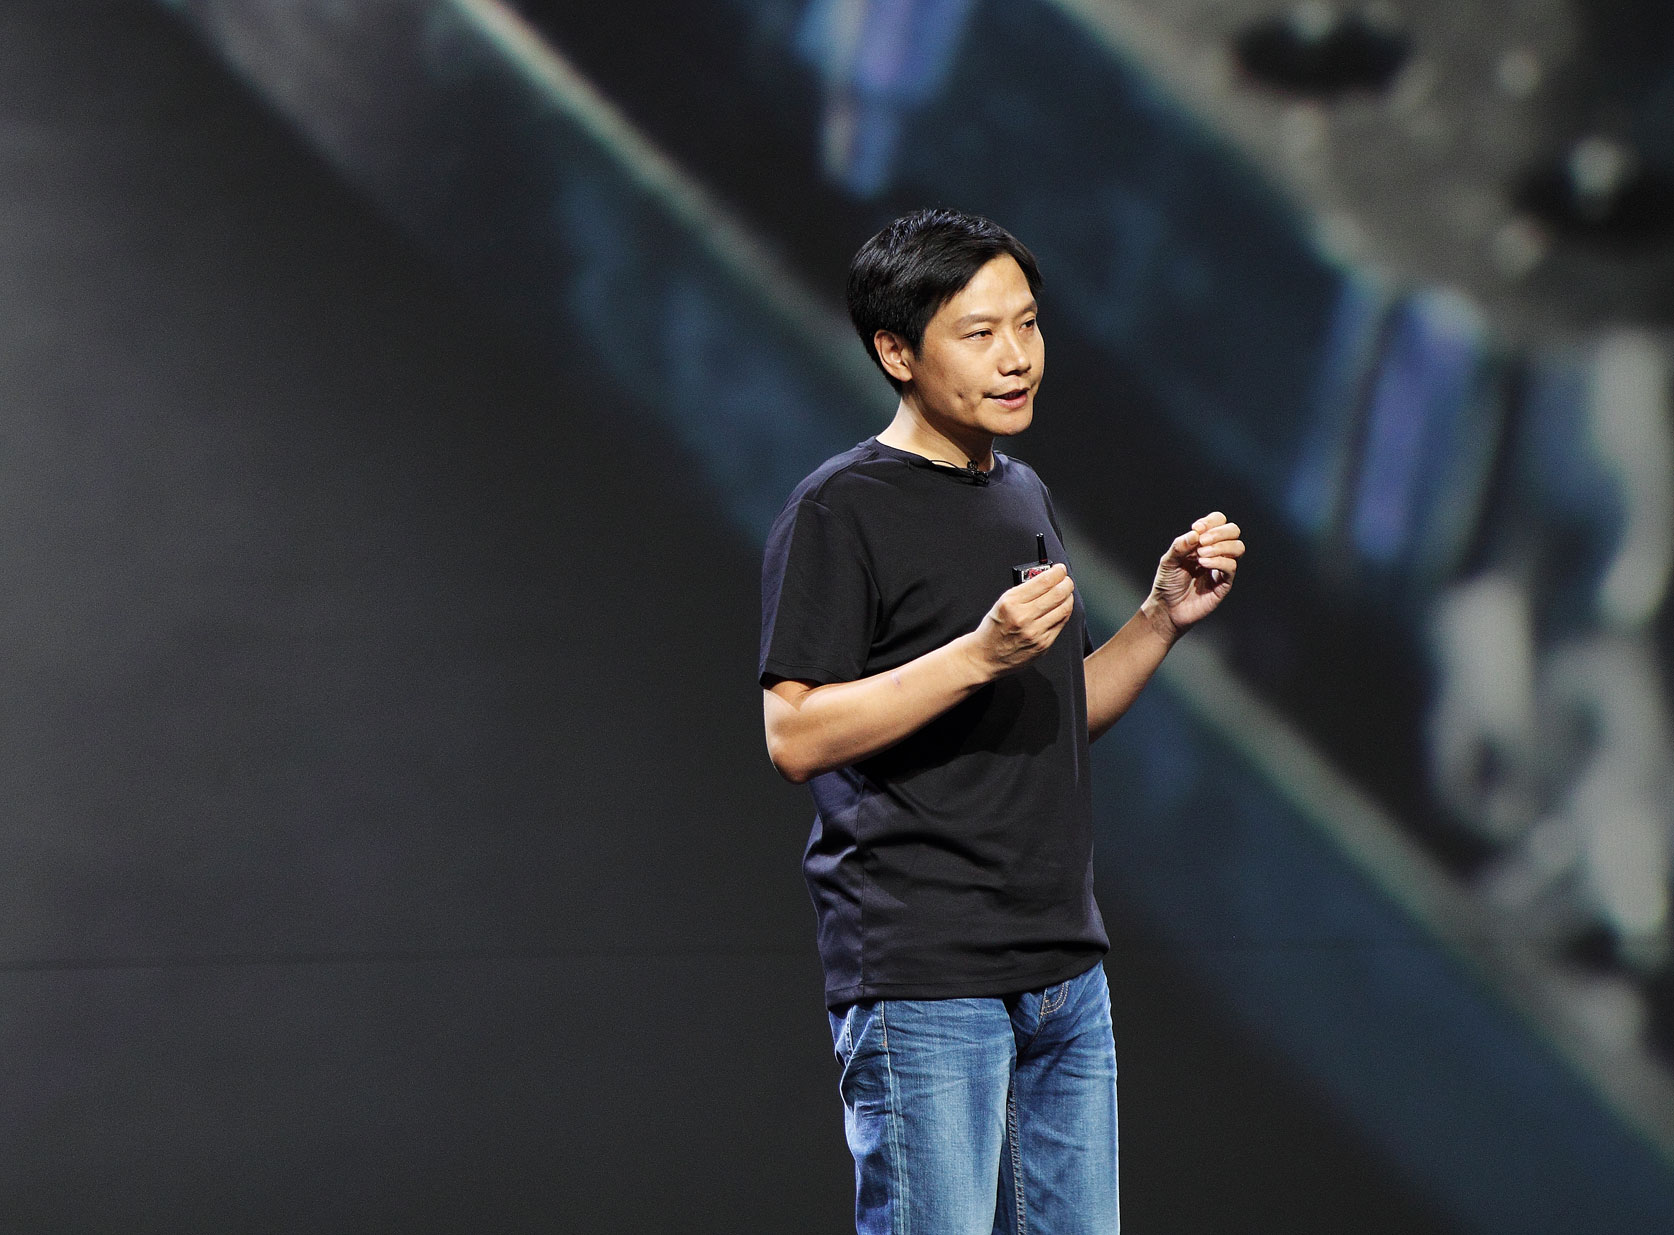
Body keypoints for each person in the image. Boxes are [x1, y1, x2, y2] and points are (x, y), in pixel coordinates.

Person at [758, 207, 1244, 1234]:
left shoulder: (1023, 493)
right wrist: (976, 653)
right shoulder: (840, 509)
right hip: (928, 974)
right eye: (980, 333)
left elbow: (1055, 716)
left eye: (1027, 324)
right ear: (897, 351)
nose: (1017, 356)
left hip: (1063, 972)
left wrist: (1160, 617)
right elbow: (793, 733)